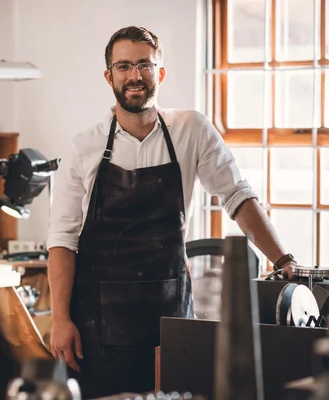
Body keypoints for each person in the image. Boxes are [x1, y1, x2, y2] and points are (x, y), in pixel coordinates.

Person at [46, 26, 298, 398]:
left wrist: (282, 259)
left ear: (160, 73)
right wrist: (61, 319)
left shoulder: (190, 130)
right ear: (109, 76)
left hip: (170, 319)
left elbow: (237, 197)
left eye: (145, 65)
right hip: (97, 325)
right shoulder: (85, 147)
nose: (135, 76)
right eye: (124, 66)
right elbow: (62, 241)